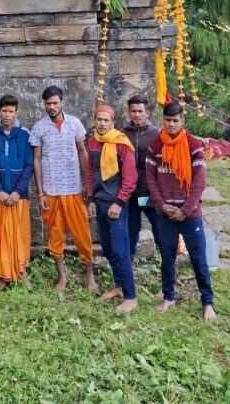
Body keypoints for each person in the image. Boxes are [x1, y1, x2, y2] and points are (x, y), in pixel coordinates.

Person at [145, 101, 217, 321]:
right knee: (167, 257)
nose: (171, 124)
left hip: (189, 214)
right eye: (167, 120)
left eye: (175, 121)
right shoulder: (155, 145)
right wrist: (161, 204)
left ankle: (207, 302)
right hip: (165, 213)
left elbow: (199, 182)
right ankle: (168, 297)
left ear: (182, 121)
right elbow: (150, 177)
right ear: (162, 121)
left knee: (198, 259)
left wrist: (185, 210)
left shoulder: (193, 145)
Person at [30, 85, 98, 293]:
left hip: (73, 190)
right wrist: (40, 192)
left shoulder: (75, 124)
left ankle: (90, 277)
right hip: (51, 191)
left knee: (83, 236)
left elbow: (82, 153)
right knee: (55, 237)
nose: (51, 107)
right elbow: (37, 160)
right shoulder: (39, 128)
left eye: (54, 103)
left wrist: (88, 186)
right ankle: (62, 277)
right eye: (48, 104)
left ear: (62, 103)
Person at [86, 104, 139, 313]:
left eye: (106, 120)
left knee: (120, 250)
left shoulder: (121, 143)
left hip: (116, 206)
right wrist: (90, 199)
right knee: (108, 249)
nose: (101, 124)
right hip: (99, 204)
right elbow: (90, 172)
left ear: (113, 123)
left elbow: (130, 178)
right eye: (99, 119)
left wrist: (119, 202)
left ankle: (131, 296)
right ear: (94, 121)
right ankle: (118, 286)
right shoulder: (92, 143)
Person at [0, 94, 34, 289]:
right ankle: (3, 276)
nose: (7, 115)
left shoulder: (25, 134)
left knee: (19, 235)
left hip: (18, 196)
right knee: (1, 235)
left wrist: (17, 191)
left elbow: (29, 165)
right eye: (4, 111)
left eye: (11, 111)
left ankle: (21, 271)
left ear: (16, 112)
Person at [124, 94, 160, 261]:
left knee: (160, 229)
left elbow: (162, 165)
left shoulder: (156, 134)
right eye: (133, 111)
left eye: (140, 111)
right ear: (129, 113)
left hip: (151, 193)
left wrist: (156, 193)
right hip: (131, 194)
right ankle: (129, 268)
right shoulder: (123, 134)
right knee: (131, 231)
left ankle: (167, 267)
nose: (137, 115)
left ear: (147, 112)